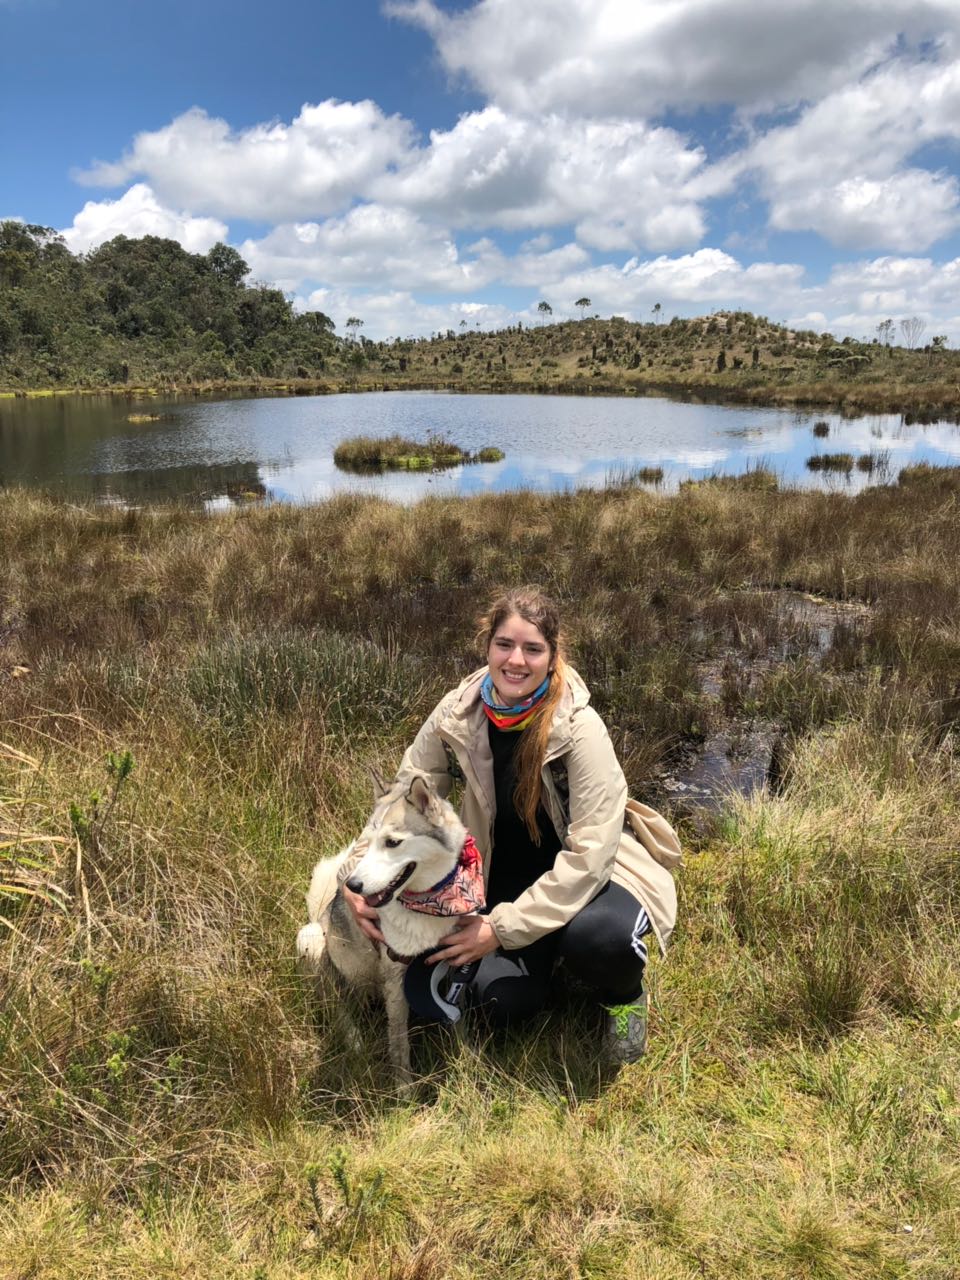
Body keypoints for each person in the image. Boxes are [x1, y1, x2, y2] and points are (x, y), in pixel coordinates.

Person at [342, 586, 680, 1063]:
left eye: (533, 649)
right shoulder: (458, 711)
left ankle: (625, 1000)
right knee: (479, 1002)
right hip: (498, 874)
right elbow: (400, 799)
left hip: (593, 876)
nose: (516, 660)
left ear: (552, 655)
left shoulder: (581, 729)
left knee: (603, 942)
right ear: (488, 646)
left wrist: (499, 930)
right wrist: (357, 876)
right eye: (504, 644)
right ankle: (550, 965)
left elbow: (589, 858)